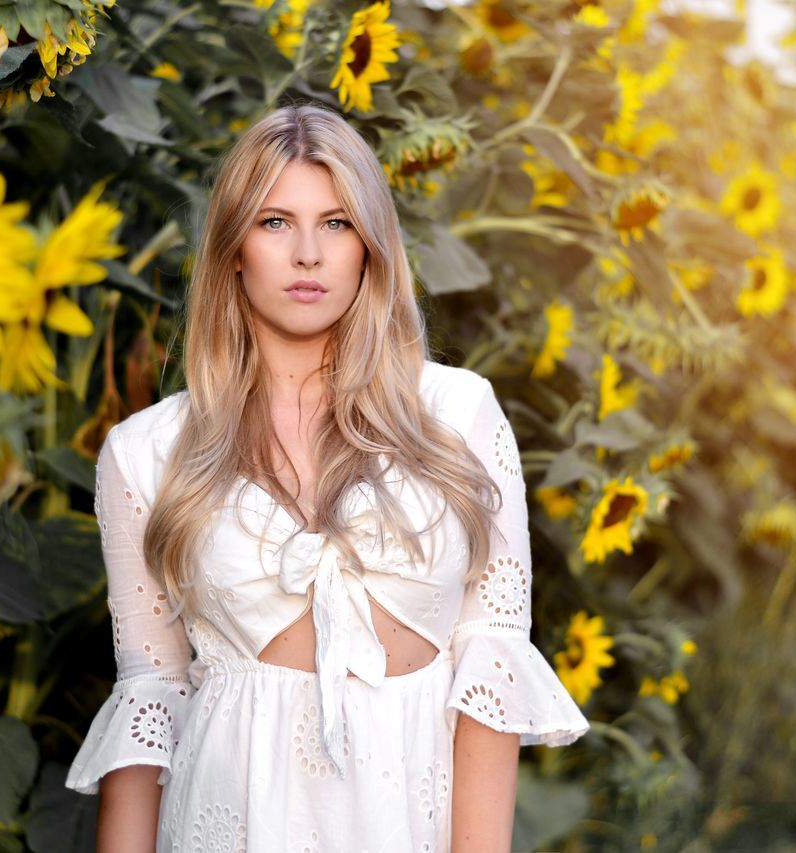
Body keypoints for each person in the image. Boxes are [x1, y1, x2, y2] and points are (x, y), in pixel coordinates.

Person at [65, 103, 590, 853]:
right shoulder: (145, 452)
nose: (308, 252)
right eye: (275, 221)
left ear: (370, 248)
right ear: (233, 249)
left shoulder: (457, 416)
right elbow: (150, 701)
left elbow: (492, 663)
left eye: (338, 223)